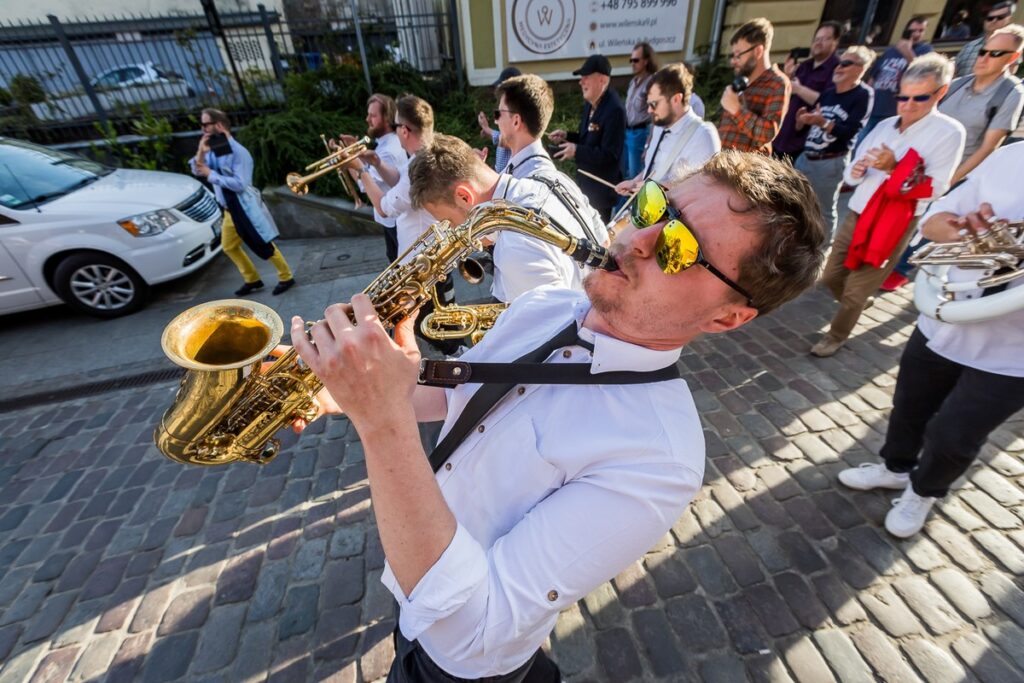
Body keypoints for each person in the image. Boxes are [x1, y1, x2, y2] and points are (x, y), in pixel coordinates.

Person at [289, 149, 826, 682]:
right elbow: (459, 396)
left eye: (680, 250)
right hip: (412, 573)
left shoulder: (659, 462)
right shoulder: (544, 304)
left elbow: (471, 633)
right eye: (656, 206)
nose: (639, 239)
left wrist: (383, 424)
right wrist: (371, 387)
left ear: (728, 317)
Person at [836, 141, 1024, 538]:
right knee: (908, 406)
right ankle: (894, 468)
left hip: (1012, 352)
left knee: (956, 435)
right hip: (944, 321)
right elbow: (934, 221)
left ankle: (924, 491)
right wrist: (961, 228)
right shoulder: (1012, 157)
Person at [811, 54, 965, 358]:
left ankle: (837, 334)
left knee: (856, 290)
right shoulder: (884, 127)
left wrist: (896, 168)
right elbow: (854, 167)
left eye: (919, 97)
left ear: (940, 92)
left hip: (894, 222)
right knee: (830, 276)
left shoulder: (948, 132)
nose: (907, 105)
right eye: (902, 97)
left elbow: (937, 187)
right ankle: (855, 302)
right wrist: (854, 172)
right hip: (859, 210)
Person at [884, 23, 1024, 292]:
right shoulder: (957, 84)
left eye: (995, 54)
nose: (984, 58)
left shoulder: (1011, 93)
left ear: (1013, 57)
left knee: (942, 217)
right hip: (922, 164)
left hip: (962, 171)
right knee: (906, 216)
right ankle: (889, 260)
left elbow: (989, 146)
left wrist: (952, 178)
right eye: (983, 51)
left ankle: (903, 268)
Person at [408, 134, 601, 304]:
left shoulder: (513, 248)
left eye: (449, 221)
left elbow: (547, 336)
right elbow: (604, 239)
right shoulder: (551, 178)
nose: (452, 231)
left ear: (464, 197)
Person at [190, 108, 295, 297]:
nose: (203, 128)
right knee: (229, 246)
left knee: (262, 242)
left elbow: (240, 184)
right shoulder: (211, 150)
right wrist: (200, 152)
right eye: (202, 124)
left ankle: (286, 276)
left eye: (206, 124)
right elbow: (197, 170)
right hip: (229, 210)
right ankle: (252, 279)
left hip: (244, 208)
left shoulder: (239, 153)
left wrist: (211, 174)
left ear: (219, 125)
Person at [492, 74, 606, 241]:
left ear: (516, 121)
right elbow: (603, 238)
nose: (495, 122)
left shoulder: (530, 181)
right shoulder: (554, 177)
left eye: (498, 114)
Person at [794, 46, 875, 237]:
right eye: (839, 62)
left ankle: (822, 253)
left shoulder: (863, 95)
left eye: (846, 63)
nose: (838, 68)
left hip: (830, 162)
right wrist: (801, 121)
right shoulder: (829, 93)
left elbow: (850, 132)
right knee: (796, 204)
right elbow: (809, 126)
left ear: (861, 68)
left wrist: (822, 122)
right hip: (806, 158)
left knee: (823, 212)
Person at [614, 63, 720, 197]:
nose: (649, 110)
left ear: (676, 99)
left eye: (654, 104)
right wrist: (635, 182)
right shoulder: (660, 126)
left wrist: (660, 187)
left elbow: (705, 188)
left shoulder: (703, 135)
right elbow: (654, 170)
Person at [549, 54, 626, 222]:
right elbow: (589, 140)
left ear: (602, 80)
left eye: (585, 77)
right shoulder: (591, 104)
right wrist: (567, 136)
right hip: (587, 187)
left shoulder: (615, 110)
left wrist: (577, 151)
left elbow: (610, 154)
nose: (581, 82)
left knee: (597, 240)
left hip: (601, 191)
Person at [336, 93, 407, 263]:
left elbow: (363, 183)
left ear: (387, 118)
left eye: (373, 115)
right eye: (368, 114)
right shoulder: (386, 143)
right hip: (391, 220)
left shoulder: (387, 151)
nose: (367, 119)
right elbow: (368, 170)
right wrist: (353, 151)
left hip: (394, 220)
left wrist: (349, 162)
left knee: (399, 266)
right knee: (394, 262)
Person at [718, 17, 791, 154]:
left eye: (738, 55)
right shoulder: (742, 80)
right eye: (733, 56)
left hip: (745, 171)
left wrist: (736, 109)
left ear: (758, 51)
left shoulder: (778, 83)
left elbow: (767, 133)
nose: (734, 61)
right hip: (721, 165)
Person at [774, 21, 842, 161]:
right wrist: (788, 75)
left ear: (835, 42)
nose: (818, 43)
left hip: (801, 144)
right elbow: (786, 93)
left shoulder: (837, 69)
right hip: (782, 135)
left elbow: (828, 102)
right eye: (817, 39)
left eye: (824, 39)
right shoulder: (805, 65)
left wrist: (799, 89)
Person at [861, 16, 934, 142]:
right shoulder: (890, 51)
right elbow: (873, 77)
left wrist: (907, 51)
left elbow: (922, 72)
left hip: (894, 110)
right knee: (861, 143)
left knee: (881, 145)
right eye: (913, 31)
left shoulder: (925, 50)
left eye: (920, 31)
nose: (916, 34)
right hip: (875, 107)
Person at [623, 42, 658, 180]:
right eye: (631, 60)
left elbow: (656, 113)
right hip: (627, 132)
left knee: (635, 175)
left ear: (646, 61)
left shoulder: (651, 83)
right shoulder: (633, 82)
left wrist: (649, 142)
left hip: (640, 133)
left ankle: (635, 201)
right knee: (626, 172)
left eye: (636, 60)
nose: (632, 63)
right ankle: (624, 201)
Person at [476, 67, 522, 172]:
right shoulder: (503, 106)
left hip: (509, 174)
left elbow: (507, 140)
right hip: (501, 171)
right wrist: (489, 133)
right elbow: (501, 133)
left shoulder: (516, 109)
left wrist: (488, 129)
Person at [955, 1, 1016, 77]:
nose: (994, 21)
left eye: (1000, 17)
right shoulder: (968, 47)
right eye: (990, 18)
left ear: (1009, 20)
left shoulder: (1012, 49)